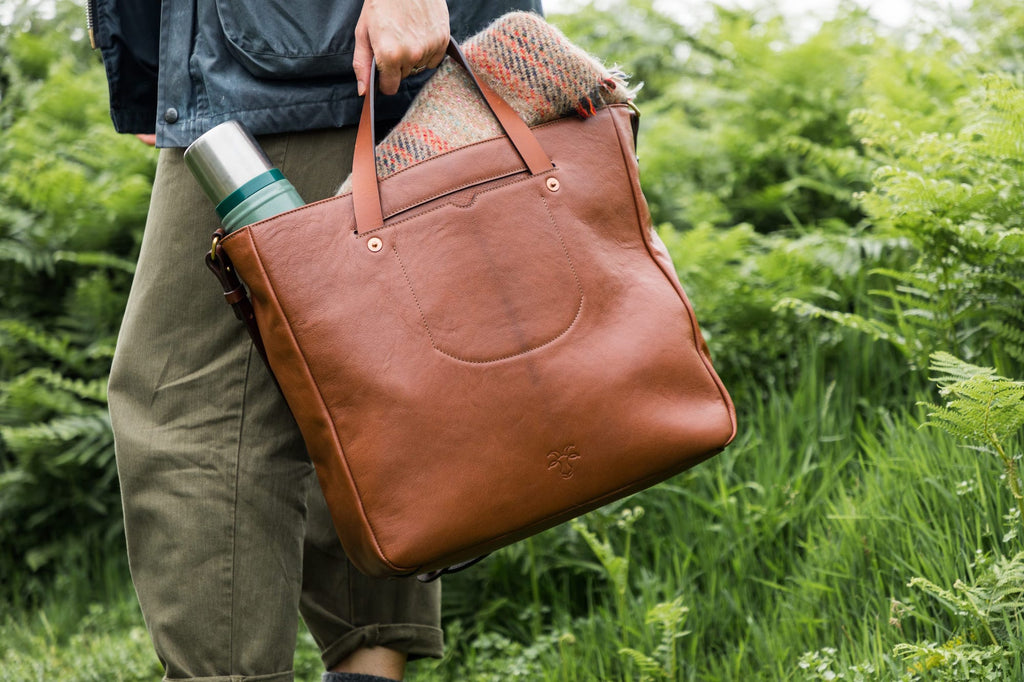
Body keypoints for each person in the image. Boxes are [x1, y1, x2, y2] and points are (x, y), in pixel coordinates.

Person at [94, 1, 542, 680]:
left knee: (189, 402)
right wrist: (163, 74)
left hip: (301, 46)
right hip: (283, 48)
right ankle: (369, 667)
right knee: (360, 367)